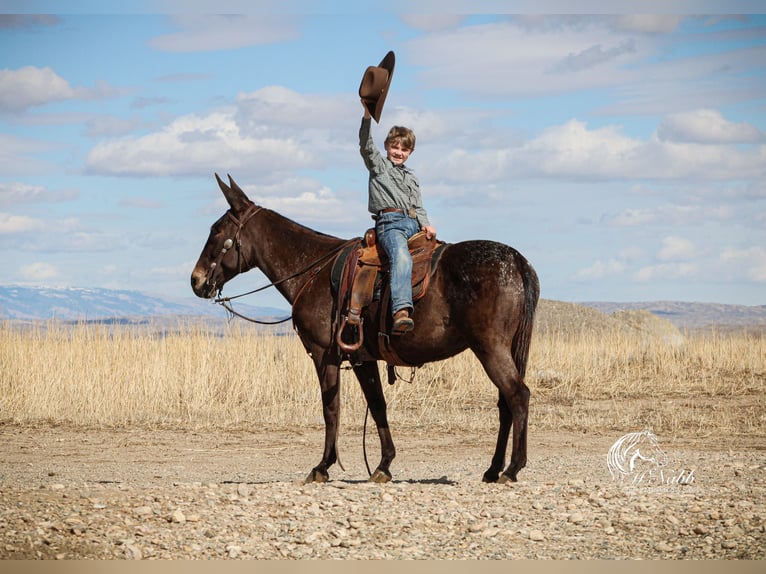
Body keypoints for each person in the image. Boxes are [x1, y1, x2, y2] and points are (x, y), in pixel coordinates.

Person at [359, 103, 437, 334]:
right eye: (395, 147)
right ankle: (401, 310)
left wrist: (425, 224)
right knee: (401, 258)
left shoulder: (412, 178)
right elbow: (365, 145)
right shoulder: (379, 166)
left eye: (404, 149)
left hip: (413, 223)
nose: (399, 152)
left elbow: (418, 206)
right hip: (390, 224)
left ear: (410, 152)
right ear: (387, 146)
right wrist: (366, 116)